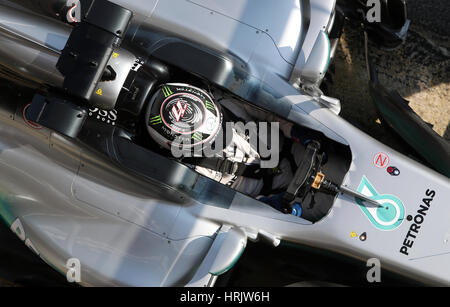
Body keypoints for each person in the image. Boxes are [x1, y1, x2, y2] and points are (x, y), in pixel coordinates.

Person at [145, 83, 314, 217]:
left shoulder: (225, 102)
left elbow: (269, 110)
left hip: (297, 147)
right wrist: (270, 207)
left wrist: (294, 130)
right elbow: (225, 205)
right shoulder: (192, 170)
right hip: (275, 196)